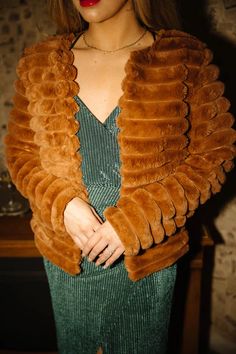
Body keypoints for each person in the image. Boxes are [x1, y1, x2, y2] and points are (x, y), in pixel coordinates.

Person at [4, 0, 236, 353]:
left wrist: (135, 221)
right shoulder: (40, 62)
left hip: (146, 264)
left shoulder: (185, 58)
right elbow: (21, 154)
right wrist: (62, 203)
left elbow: (213, 156)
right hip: (70, 261)